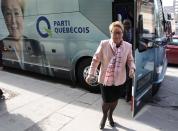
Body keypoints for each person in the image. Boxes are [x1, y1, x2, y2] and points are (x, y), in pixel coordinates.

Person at [86, 21, 135, 129]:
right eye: (114, 32)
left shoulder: (128, 46)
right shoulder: (104, 44)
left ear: (122, 33)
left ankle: (110, 115)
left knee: (115, 100)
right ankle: (104, 116)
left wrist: (132, 68)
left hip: (119, 80)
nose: (117, 35)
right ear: (110, 33)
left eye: (119, 32)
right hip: (105, 80)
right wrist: (91, 74)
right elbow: (95, 60)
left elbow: (130, 60)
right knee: (106, 101)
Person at [0, 0, 47, 72]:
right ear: (4, 17)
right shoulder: (1, 45)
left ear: (23, 15)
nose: (13, 21)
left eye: (16, 13)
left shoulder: (36, 45)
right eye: (8, 14)